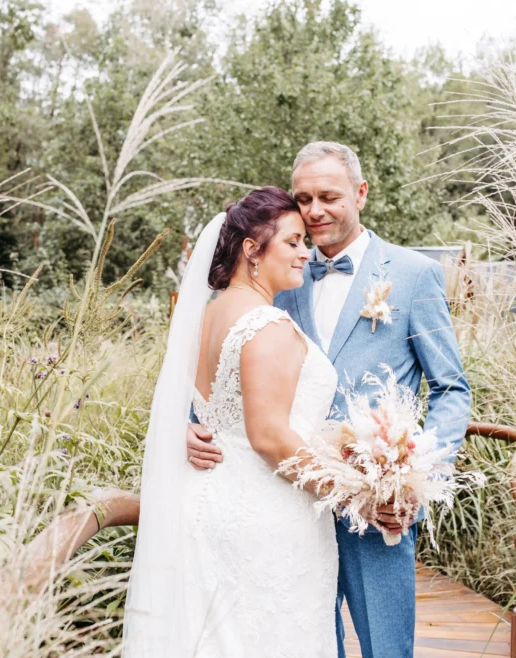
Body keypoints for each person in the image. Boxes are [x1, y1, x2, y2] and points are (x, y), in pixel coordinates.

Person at [187, 142, 472, 658]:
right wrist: (192, 425)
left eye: (328, 196)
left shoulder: (412, 275)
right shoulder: (281, 276)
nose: (315, 210)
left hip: (377, 504)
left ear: (360, 194)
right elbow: (232, 371)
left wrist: (415, 479)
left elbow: (451, 389)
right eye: (304, 198)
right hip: (286, 500)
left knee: (385, 648)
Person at [123, 186, 341, 657]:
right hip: (267, 516)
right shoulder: (267, 326)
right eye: (293, 241)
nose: (307, 252)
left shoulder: (206, 317)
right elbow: (268, 436)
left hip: (208, 498)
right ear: (251, 251)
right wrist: (350, 489)